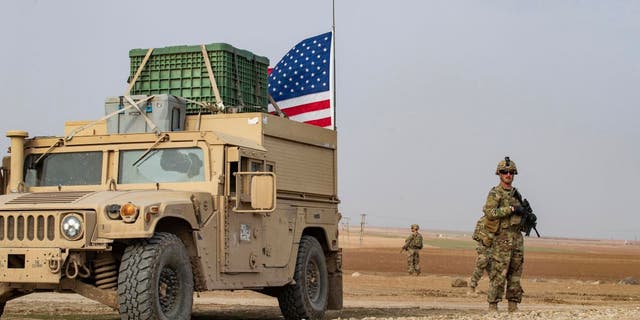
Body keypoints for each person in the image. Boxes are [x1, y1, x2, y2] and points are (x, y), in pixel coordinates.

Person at [483, 156, 527, 312]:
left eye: (511, 172)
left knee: (515, 273)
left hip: (516, 238)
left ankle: (513, 306)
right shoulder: (495, 193)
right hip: (502, 237)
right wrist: (512, 209)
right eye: (504, 172)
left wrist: (527, 217)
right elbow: (489, 212)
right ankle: (493, 307)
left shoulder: (516, 194)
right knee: (499, 273)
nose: (508, 175)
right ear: (499, 174)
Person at [468, 216, 492, 295]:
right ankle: (472, 287)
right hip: (483, 249)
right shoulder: (482, 220)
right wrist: (484, 238)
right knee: (480, 267)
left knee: (494, 270)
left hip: (495, 250)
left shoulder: (499, 220)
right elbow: (475, 236)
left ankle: (493, 290)